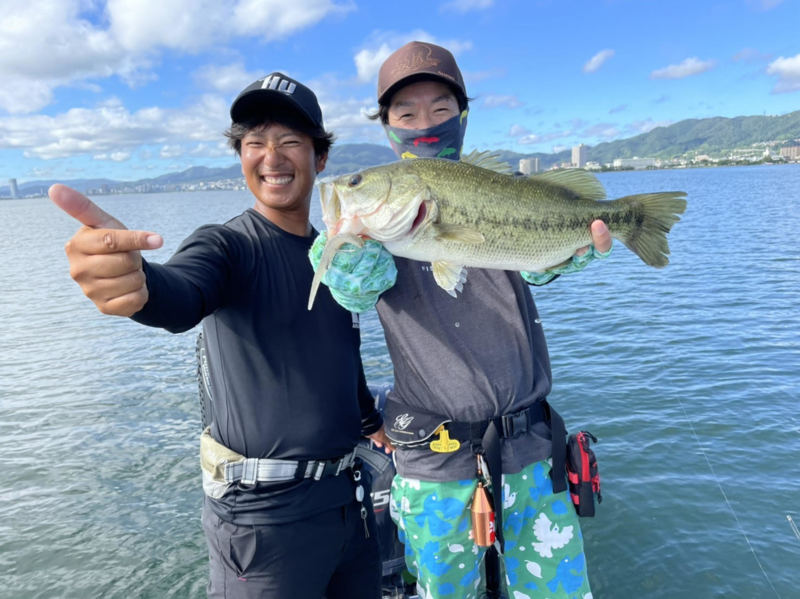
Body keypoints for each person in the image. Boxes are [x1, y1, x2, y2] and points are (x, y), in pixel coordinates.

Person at [50, 72, 392, 599]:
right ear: (241, 157)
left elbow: (341, 356)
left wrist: (372, 422)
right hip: (263, 525)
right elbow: (181, 293)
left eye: (290, 141)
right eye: (255, 142)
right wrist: (139, 284)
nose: (272, 157)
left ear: (320, 158)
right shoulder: (227, 246)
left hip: (349, 504)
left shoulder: (336, 257)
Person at [311, 42, 612, 598]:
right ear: (386, 127)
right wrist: (347, 254)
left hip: (533, 452)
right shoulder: (367, 233)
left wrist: (564, 254)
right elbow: (353, 289)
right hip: (434, 464)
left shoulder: (499, 188)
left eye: (441, 109)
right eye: (406, 113)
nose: (425, 123)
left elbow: (540, 268)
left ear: (464, 116)